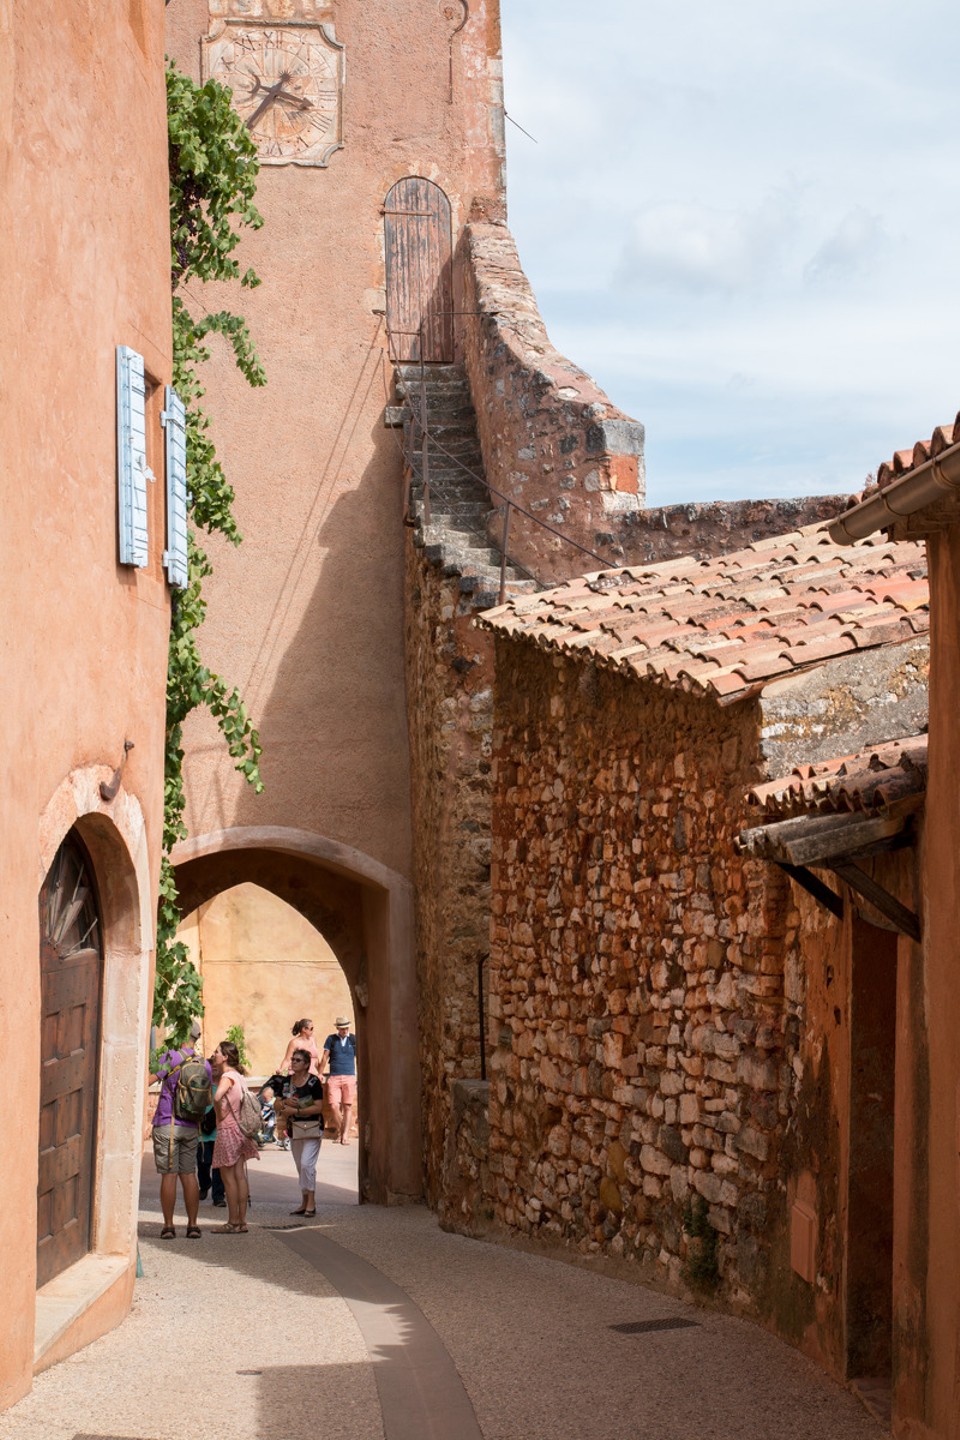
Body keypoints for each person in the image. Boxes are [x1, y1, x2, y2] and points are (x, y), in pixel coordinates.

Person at [148, 1019, 211, 1240]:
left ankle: (168, 1226)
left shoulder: (171, 1057)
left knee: (169, 1175)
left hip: (168, 1122)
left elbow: (149, 1080)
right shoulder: (205, 1064)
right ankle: (193, 1225)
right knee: (189, 1174)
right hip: (192, 1126)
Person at [210, 1039, 259, 1233]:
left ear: (225, 1057)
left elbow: (216, 1097)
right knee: (239, 1176)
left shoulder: (227, 1077)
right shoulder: (239, 1076)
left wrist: (219, 1113)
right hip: (241, 1130)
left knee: (228, 1178)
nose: (214, 1055)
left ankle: (232, 1221)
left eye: (217, 1052)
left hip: (227, 1130)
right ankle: (242, 1221)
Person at [275, 1048, 324, 1216]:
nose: (293, 1062)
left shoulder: (314, 1082)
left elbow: (318, 1107)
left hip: (312, 1128)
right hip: (294, 1129)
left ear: (306, 1065)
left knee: (307, 1164)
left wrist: (296, 1109)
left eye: (297, 1060)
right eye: (292, 1059)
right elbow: (277, 1104)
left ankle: (311, 1201)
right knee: (299, 1166)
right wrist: (284, 1103)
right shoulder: (286, 1082)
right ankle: (304, 1201)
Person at [197, 1048, 226, 1207]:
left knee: (218, 1165)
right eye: (211, 1067)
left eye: (216, 1066)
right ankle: (204, 1184)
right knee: (202, 1163)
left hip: (217, 1132)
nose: (214, 1069)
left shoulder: (224, 1084)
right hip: (201, 1132)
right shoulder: (202, 1086)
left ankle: (218, 1196)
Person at [321, 1016, 357, 1145]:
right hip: (334, 1076)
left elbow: (360, 1056)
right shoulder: (331, 1039)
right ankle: (342, 1131)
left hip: (349, 1076)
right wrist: (320, 1073)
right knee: (334, 1105)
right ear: (337, 1028)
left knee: (347, 1106)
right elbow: (325, 1057)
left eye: (346, 1028)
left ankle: (344, 1135)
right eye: (342, 1028)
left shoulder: (353, 1039)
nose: (345, 1030)